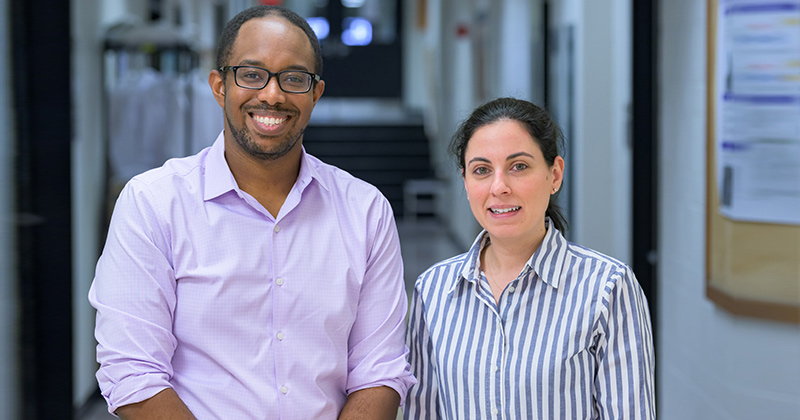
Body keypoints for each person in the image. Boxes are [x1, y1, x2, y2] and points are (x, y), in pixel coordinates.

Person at [89, 5, 415, 419]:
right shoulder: (153, 204)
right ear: (219, 86)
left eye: (293, 78)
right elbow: (132, 371)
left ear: (315, 93)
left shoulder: (366, 211)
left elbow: (379, 371)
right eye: (251, 74)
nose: (272, 95)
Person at [403, 97, 655, 419]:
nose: (499, 187)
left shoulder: (608, 288)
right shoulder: (434, 290)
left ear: (555, 175)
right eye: (481, 170)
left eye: (518, 167)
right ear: (466, 182)